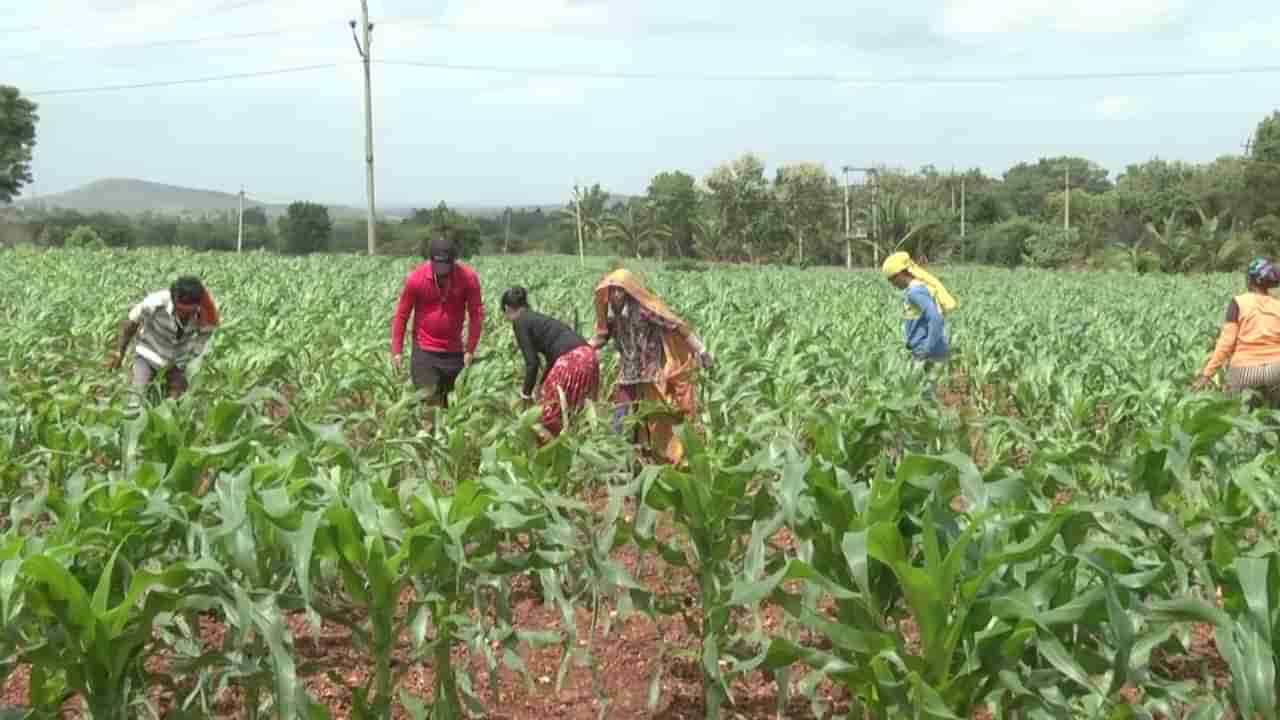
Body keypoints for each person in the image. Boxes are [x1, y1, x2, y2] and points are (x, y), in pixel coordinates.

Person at [588, 269, 712, 465]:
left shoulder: (645, 310)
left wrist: (702, 350)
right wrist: (582, 349)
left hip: (651, 371)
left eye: (619, 290)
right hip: (629, 371)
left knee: (655, 416)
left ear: (628, 291)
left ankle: (665, 456)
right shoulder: (613, 316)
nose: (615, 295)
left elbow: (676, 325)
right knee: (621, 411)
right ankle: (617, 456)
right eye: (611, 291)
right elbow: (602, 336)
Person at [391, 236, 485, 413]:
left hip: (454, 351)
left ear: (454, 262)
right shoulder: (416, 279)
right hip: (424, 350)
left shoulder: (468, 279)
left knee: (451, 407)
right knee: (430, 406)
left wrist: (471, 349)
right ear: (431, 260)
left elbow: (476, 314)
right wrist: (397, 351)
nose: (442, 271)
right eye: (438, 265)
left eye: (446, 266)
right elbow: (402, 315)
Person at [109, 275, 220, 412]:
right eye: (180, 310)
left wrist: (190, 359)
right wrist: (119, 353)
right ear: (173, 300)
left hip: (177, 361)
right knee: (136, 399)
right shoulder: (155, 302)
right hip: (148, 354)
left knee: (175, 406)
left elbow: (205, 334)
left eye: (188, 311)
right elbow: (131, 323)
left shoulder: (204, 312)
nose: (183, 315)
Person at [501, 287, 600, 439]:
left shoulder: (519, 321)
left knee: (546, 419)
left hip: (571, 361)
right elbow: (551, 357)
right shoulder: (537, 318)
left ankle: (548, 457)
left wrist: (525, 395)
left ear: (507, 308)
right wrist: (540, 384)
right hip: (588, 356)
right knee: (575, 414)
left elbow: (532, 362)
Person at [1195, 258, 1280, 406]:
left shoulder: (1239, 303)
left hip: (1244, 371)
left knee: (1237, 419)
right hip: (1276, 369)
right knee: (1273, 421)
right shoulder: (1277, 306)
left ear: (1250, 280)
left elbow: (1226, 343)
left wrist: (1206, 375)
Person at [881, 251, 957, 397]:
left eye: (891, 280)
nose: (892, 284)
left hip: (927, 351)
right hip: (930, 348)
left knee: (921, 395)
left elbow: (936, 319)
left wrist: (926, 349)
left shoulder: (915, 292)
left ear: (901, 274)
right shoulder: (919, 287)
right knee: (924, 395)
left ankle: (938, 419)